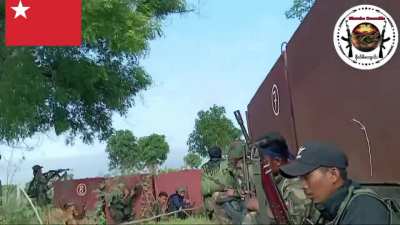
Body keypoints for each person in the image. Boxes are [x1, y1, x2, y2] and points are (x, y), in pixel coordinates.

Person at [280, 141, 390, 225]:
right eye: (300, 178)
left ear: (333, 175)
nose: (303, 185)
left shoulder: (365, 209)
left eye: (307, 177)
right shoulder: (327, 209)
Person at [258, 132, 316, 225]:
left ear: (277, 161)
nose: (259, 165)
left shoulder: (294, 183)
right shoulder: (277, 178)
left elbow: (296, 221)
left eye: (262, 161)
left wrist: (260, 207)